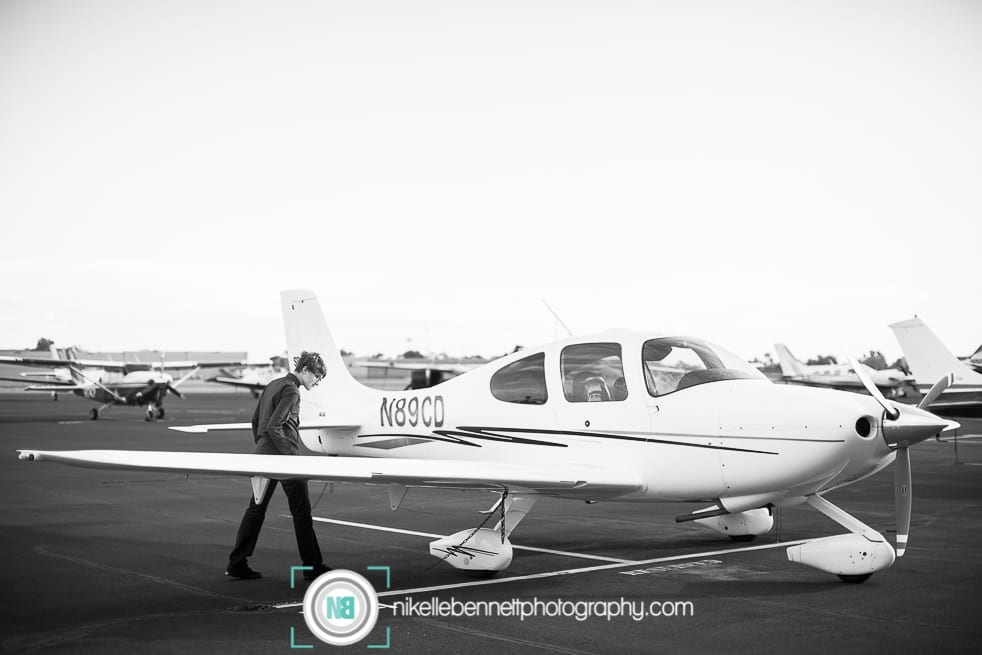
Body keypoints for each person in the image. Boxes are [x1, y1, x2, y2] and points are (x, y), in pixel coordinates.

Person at [225, 351, 331, 581]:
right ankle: (312, 567)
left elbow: (256, 422)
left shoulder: (273, 384)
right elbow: (275, 426)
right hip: (284, 459)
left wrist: (262, 447)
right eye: (316, 375)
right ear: (304, 370)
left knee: (256, 509)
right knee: (301, 512)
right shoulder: (292, 390)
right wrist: (290, 458)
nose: (317, 380)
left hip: (264, 456)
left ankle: (237, 563)